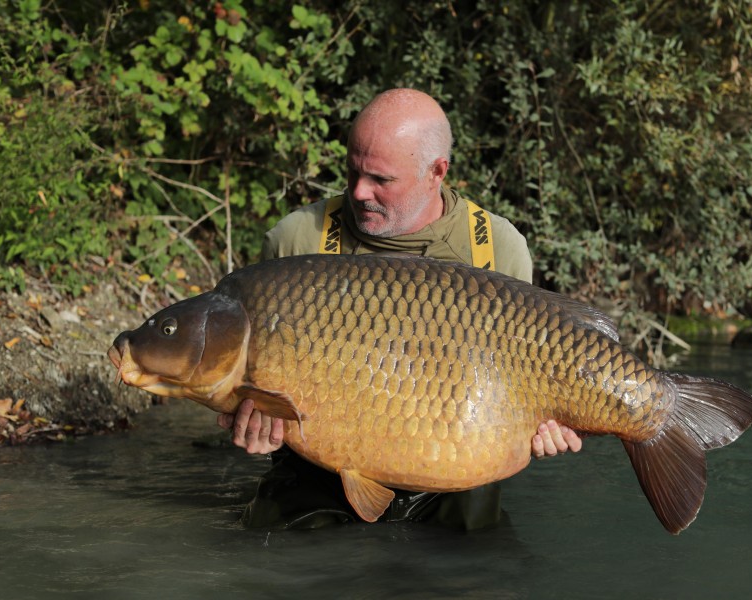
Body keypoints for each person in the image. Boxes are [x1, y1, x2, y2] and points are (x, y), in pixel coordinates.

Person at [217, 88, 582, 530]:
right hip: (320, 467)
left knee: (472, 562)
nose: (358, 191)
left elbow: (526, 383)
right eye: (351, 171)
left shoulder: (497, 248)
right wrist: (257, 428)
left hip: (451, 469)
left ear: (437, 172)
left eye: (380, 180)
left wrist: (550, 426)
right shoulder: (296, 239)